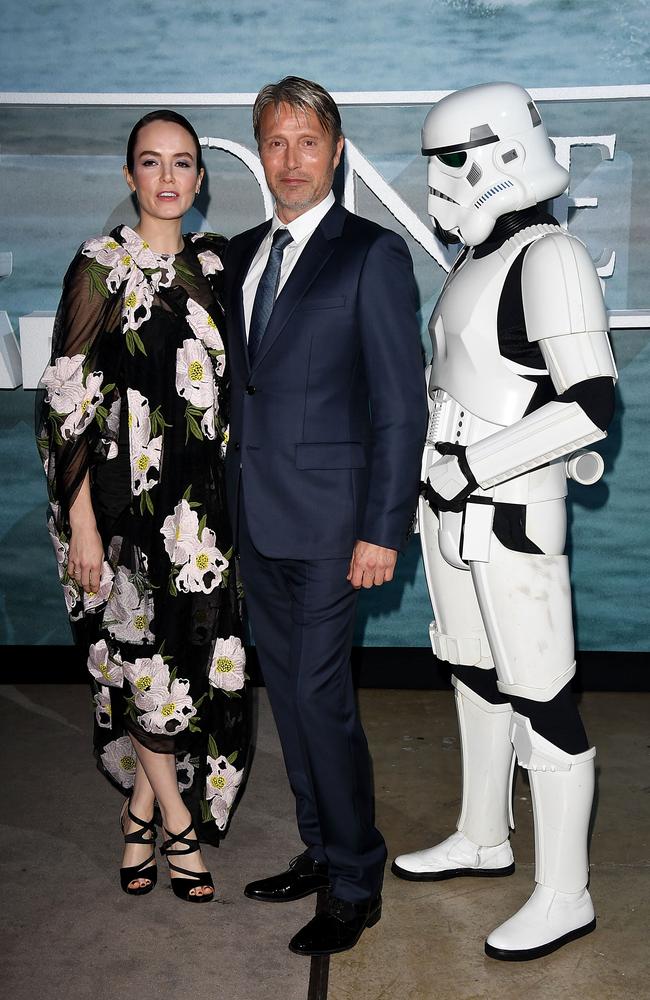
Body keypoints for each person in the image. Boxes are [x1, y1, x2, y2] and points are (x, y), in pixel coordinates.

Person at [391, 82, 617, 960]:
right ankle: (484, 832)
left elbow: (591, 403)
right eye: (436, 161)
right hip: (447, 514)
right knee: (474, 675)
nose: (442, 179)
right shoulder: (476, 263)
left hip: (512, 513)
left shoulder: (551, 258)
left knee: (544, 700)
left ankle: (567, 892)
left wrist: (475, 466)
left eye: (454, 159)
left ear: (503, 152)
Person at [223, 77, 427, 955]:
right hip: (252, 522)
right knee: (294, 701)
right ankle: (319, 846)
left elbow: (399, 404)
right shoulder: (235, 256)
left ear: (336, 151)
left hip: (338, 527)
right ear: (259, 154)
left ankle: (354, 878)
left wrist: (383, 526)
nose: (291, 159)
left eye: (309, 142)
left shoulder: (371, 255)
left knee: (320, 698)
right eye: (275, 142)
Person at [36, 110, 249, 903]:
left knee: (188, 672)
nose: (167, 177)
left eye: (183, 163)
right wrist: (81, 520)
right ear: (130, 177)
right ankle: (177, 828)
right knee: (144, 669)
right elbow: (67, 400)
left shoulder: (218, 267)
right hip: (120, 518)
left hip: (202, 519)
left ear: (200, 179)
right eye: (151, 163)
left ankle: (137, 812)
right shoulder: (97, 266)